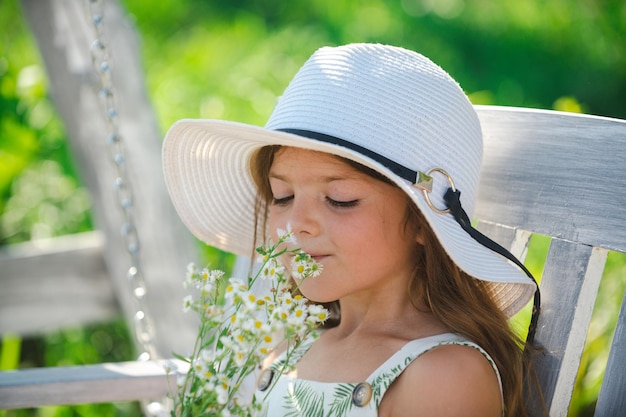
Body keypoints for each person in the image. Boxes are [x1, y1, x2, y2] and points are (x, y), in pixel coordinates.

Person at [162, 43, 542, 416]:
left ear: (425, 222)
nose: (297, 224)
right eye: (282, 196)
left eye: (340, 199)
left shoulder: (442, 374)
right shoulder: (295, 348)